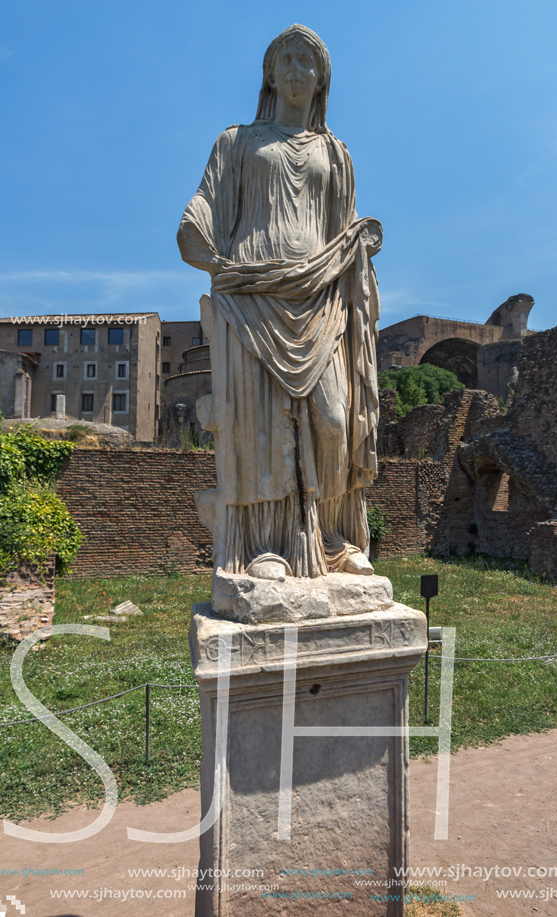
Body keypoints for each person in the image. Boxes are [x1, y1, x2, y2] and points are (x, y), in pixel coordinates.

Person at [178, 23, 382, 581]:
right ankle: (266, 544)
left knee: (334, 419)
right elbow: (201, 211)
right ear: (270, 74)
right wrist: (206, 251)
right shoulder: (237, 142)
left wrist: (359, 249)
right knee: (261, 426)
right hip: (251, 296)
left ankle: (335, 535)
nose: (295, 71)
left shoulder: (336, 154)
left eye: (305, 62)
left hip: (320, 298)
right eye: (285, 61)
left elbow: (344, 232)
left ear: (321, 79)